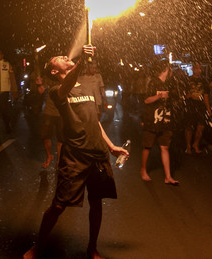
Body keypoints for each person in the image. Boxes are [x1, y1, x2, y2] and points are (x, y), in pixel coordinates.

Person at [24, 45, 128, 259]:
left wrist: (110, 146)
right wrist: (81, 61)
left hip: (97, 155)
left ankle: (92, 248)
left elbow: (94, 121)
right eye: (59, 58)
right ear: (54, 71)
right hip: (75, 157)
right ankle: (38, 247)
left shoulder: (86, 87)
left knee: (96, 203)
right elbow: (68, 82)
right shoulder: (56, 91)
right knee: (59, 205)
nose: (64, 56)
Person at [140, 59, 180, 185]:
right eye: (170, 70)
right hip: (152, 120)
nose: (172, 72)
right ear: (166, 70)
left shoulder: (169, 84)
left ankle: (168, 177)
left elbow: (173, 100)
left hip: (165, 120)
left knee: (165, 147)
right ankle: (143, 170)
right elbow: (146, 100)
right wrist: (159, 96)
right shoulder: (153, 82)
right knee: (148, 146)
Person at [185, 62, 212, 154]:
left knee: (201, 126)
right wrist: (188, 96)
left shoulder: (204, 81)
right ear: (192, 69)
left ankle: (195, 144)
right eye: (196, 68)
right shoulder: (187, 80)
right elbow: (183, 94)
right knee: (189, 127)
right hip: (190, 106)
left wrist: (208, 108)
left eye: (200, 68)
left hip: (200, 107)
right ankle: (188, 146)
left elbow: (206, 96)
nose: (198, 70)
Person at [39, 77, 63, 168]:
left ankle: (59, 160)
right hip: (49, 111)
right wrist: (39, 84)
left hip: (61, 112)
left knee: (61, 139)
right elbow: (41, 91)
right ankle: (49, 156)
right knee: (45, 136)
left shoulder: (66, 78)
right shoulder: (48, 79)